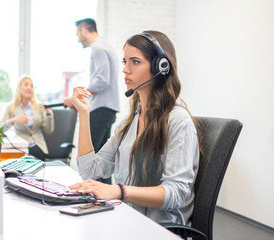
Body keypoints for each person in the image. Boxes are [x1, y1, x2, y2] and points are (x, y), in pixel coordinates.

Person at [68, 30, 200, 225]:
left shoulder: (178, 120)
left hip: (159, 229)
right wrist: (84, 114)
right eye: (125, 62)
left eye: (135, 62)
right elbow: (90, 170)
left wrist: (118, 191)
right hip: (127, 219)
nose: (125, 69)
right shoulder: (129, 123)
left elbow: (177, 193)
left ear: (160, 67)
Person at [64, 18, 120, 184]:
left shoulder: (97, 48)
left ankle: (93, 196)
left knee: (91, 161)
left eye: (77, 34)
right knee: (103, 162)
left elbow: (102, 80)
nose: (78, 39)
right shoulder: (105, 46)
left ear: (83, 31)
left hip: (101, 109)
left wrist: (77, 99)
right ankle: (106, 197)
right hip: (108, 109)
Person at [1, 76, 54, 160]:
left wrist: (49, 114)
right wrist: (14, 120)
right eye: (26, 85)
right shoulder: (11, 108)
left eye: (31, 86)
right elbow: (0, 129)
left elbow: (49, 130)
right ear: (19, 88)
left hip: (38, 147)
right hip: (22, 148)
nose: (29, 87)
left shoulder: (38, 107)